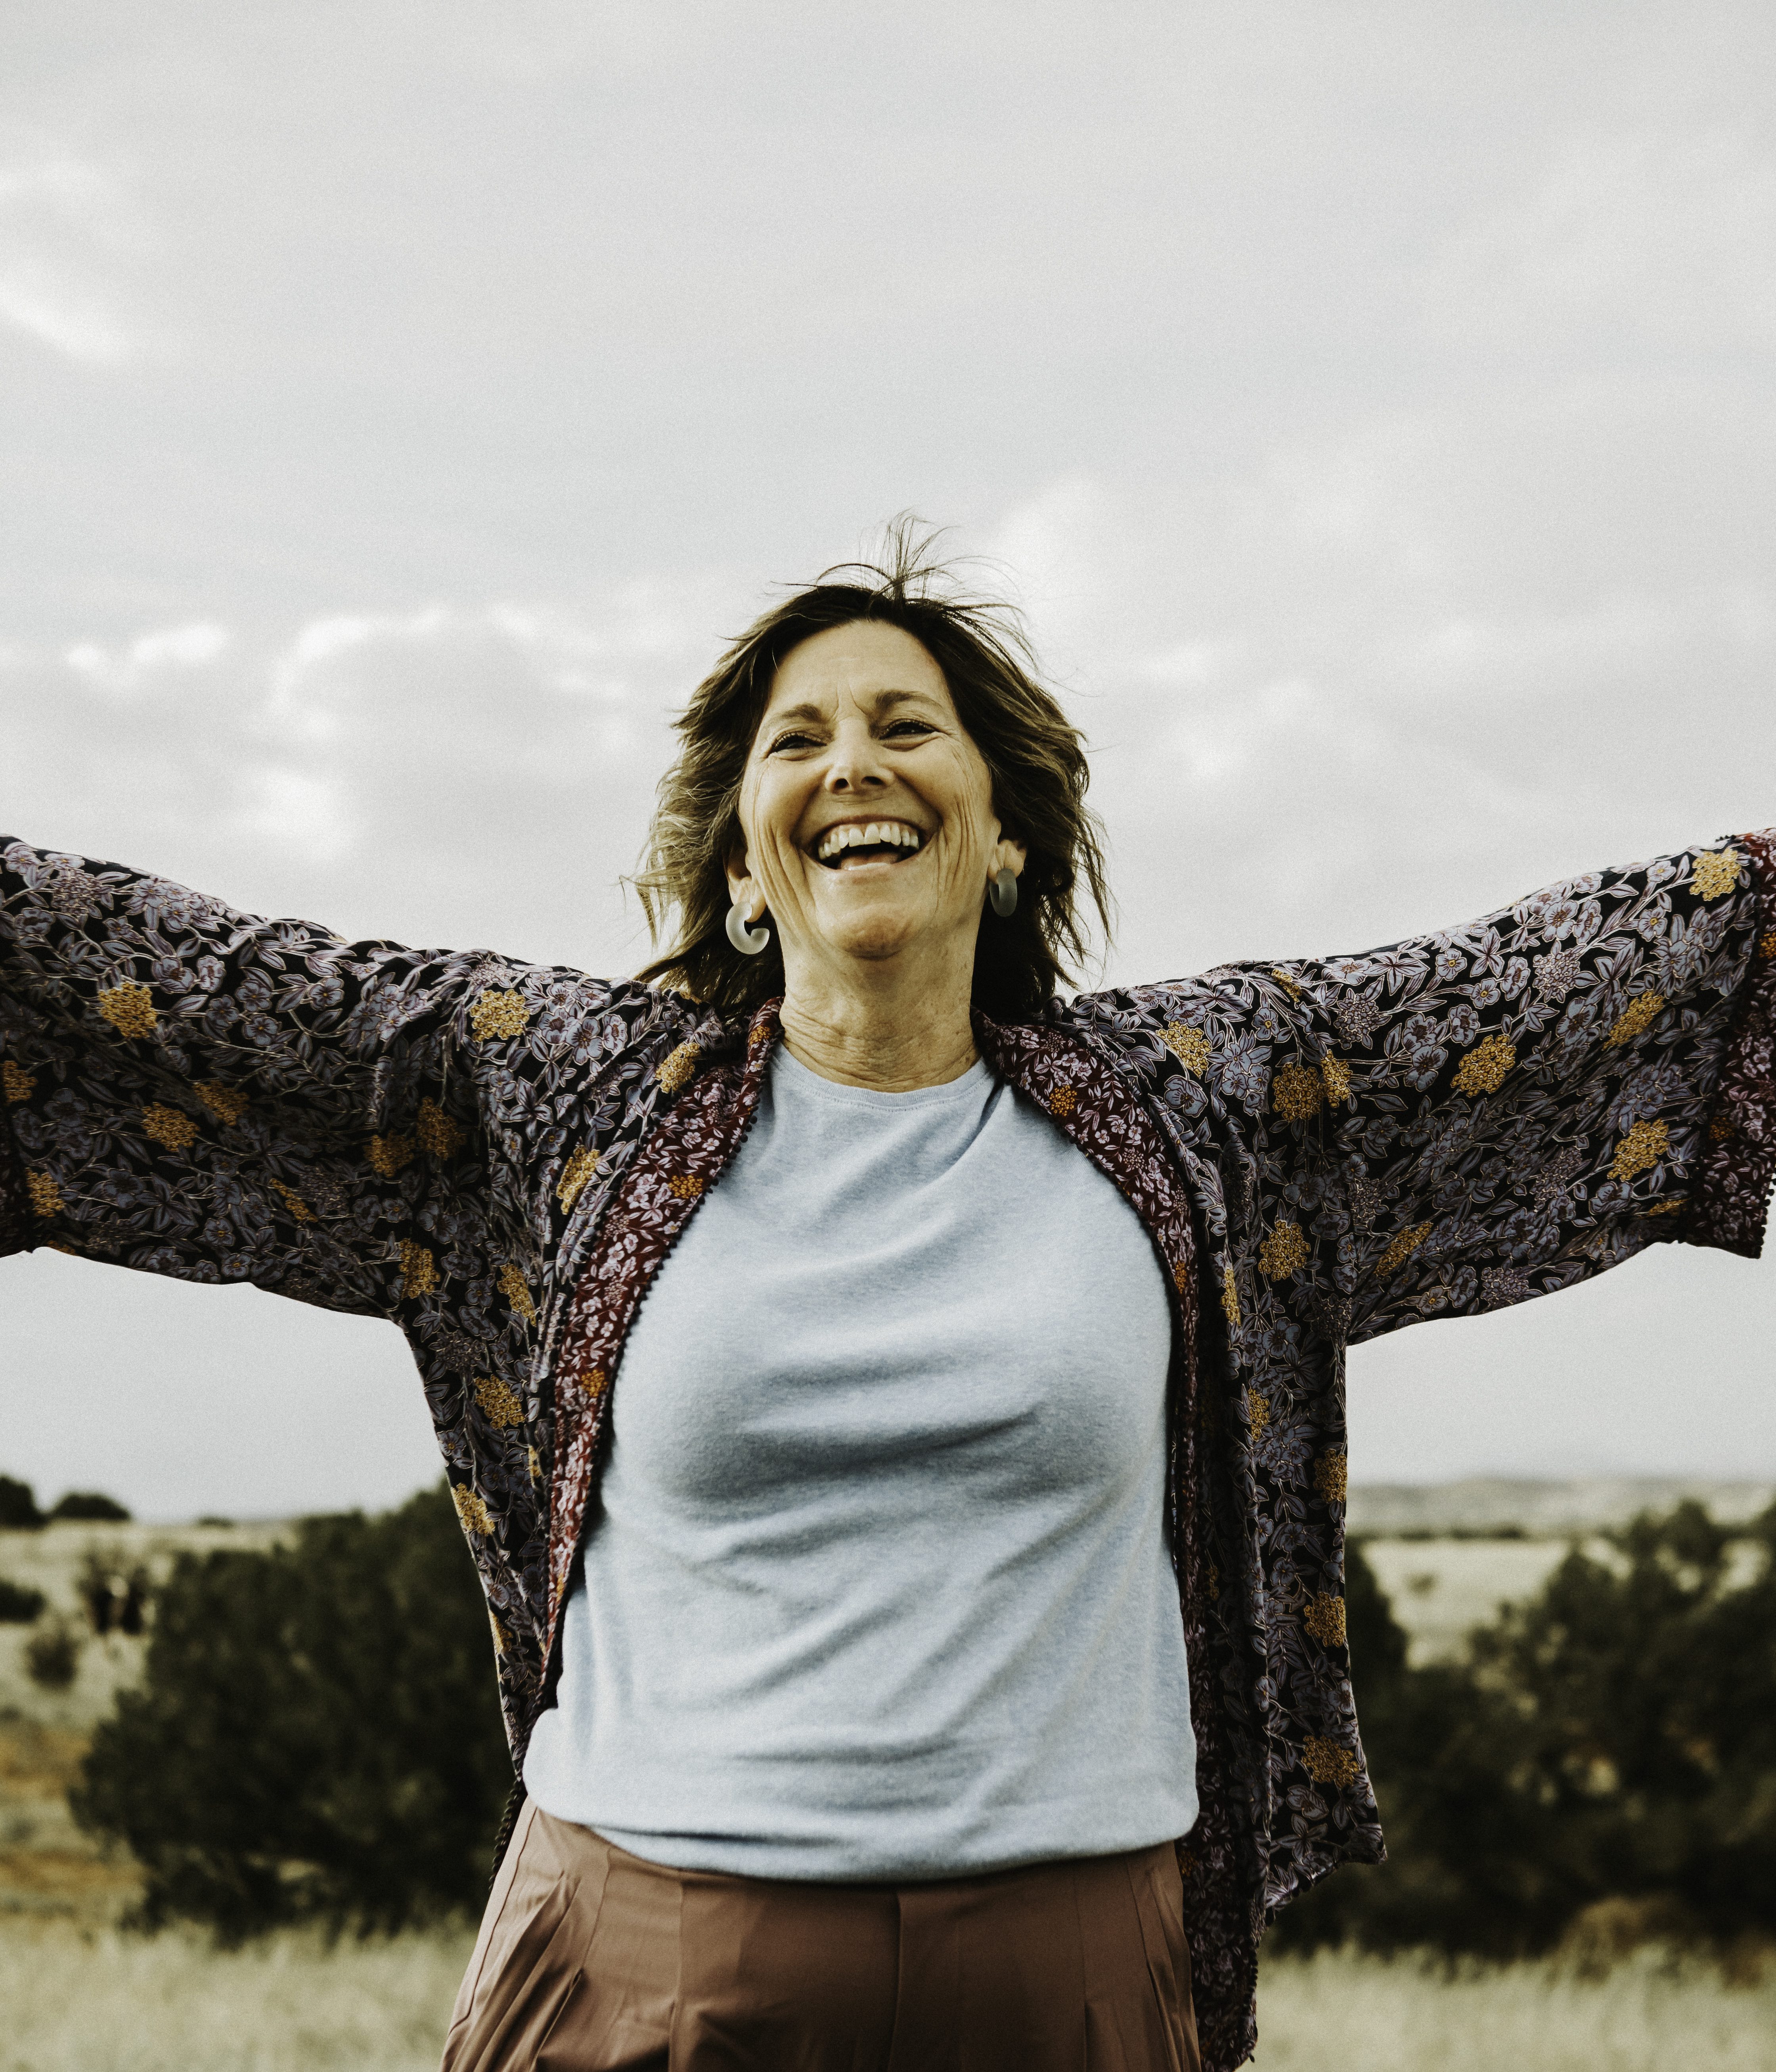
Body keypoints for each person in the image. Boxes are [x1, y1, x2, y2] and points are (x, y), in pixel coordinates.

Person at [1, 537, 1770, 2072]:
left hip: (1065, 1978)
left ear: (1002, 830)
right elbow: (187, 987)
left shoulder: (1200, 1100)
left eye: (907, 724)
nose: (857, 761)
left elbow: (1575, 981)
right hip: (654, 1954)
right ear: (739, 862)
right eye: (801, 737)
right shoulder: (559, 1100)